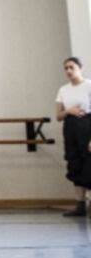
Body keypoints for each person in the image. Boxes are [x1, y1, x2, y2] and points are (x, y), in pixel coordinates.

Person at [55, 57, 91, 216]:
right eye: (66, 68)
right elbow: (58, 115)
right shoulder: (63, 90)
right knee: (74, 163)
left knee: (88, 164)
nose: (68, 70)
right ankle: (80, 205)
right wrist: (69, 111)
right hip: (70, 128)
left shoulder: (89, 85)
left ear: (80, 68)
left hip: (87, 126)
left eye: (72, 67)